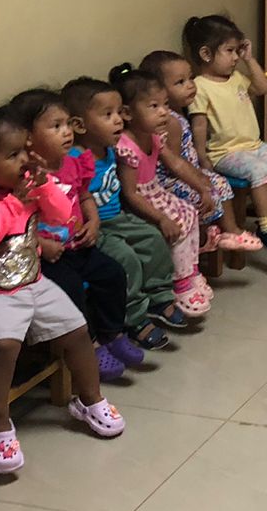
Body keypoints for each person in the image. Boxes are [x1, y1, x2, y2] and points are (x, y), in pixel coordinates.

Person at [0, 99, 125, 475]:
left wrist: (46, 186)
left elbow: (62, 216)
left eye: (23, 150)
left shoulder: (25, 185)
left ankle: (90, 399)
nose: (25, 159)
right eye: (13, 155)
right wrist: (14, 204)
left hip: (32, 282)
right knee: (4, 346)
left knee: (77, 329)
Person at [8, 87, 148, 378]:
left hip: (77, 245)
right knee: (70, 288)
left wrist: (93, 221)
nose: (67, 132)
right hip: (46, 257)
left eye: (68, 124)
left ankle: (112, 334)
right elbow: (15, 222)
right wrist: (40, 245)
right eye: (56, 126)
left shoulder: (73, 162)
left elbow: (84, 196)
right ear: (28, 137)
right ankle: (90, 346)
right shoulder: (23, 177)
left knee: (112, 273)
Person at [182, 14, 267, 259]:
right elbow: (199, 125)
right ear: (206, 54)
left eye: (237, 51)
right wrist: (202, 157)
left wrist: (249, 59)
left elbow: (263, 88)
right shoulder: (200, 86)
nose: (236, 57)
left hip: (254, 146)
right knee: (260, 171)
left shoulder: (236, 77)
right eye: (230, 51)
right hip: (225, 153)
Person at [62, 76, 189, 340]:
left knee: (153, 238)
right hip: (94, 228)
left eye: (119, 112)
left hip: (118, 217)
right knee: (125, 257)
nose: (119, 120)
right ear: (80, 126)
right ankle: (135, 316)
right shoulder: (73, 159)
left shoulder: (110, 149)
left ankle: (159, 297)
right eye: (108, 115)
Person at [109, 62, 216, 316]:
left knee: (190, 212)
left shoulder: (154, 136)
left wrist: (202, 187)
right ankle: (179, 284)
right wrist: (161, 219)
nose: (164, 113)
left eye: (166, 105)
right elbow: (130, 193)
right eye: (154, 106)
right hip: (139, 201)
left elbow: (175, 163)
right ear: (127, 113)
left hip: (155, 191)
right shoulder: (126, 147)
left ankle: (190, 271)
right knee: (176, 224)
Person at [138, 48, 266, 259]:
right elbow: (175, 164)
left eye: (190, 78)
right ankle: (206, 236)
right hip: (169, 179)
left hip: (186, 170)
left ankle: (229, 232)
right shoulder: (170, 122)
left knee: (220, 183)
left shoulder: (179, 113)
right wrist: (198, 179)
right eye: (180, 82)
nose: (190, 85)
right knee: (208, 191)